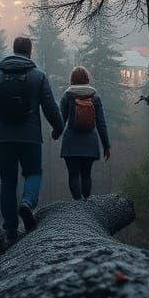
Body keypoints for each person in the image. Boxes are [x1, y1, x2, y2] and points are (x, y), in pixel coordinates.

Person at [0, 36, 64, 246]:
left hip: (3, 138)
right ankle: (27, 202)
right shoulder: (38, 76)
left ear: (14, 50)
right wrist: (58, 128)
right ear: (30, 52)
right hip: (30, 136)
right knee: (33, 173)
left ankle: (10, 231)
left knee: (7, 181)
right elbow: (50, 106)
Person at [59, 66, 110, 200]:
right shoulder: (95, 97)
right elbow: (101, 123)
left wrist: (55, 133)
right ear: (87, 78)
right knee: (86, 175)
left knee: (73, 175)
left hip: (71, 141)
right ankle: (86, 203)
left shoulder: (67, 96)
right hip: (90, 141)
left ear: (72, 79)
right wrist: (106, 145)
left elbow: (61, 120)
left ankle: (78, 203)